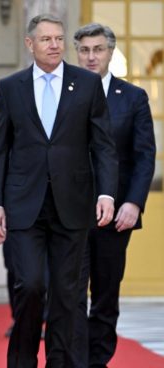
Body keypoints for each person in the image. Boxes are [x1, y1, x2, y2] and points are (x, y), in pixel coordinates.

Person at [0, 14, 118, 367]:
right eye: (46, 39)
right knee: (29, 286)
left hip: (73, 203)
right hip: (24, 204)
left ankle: (62, 361)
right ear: (30, 44)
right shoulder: (11, 87)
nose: (55, 45)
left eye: (59, 38)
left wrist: (107, 193)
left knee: (68, 293)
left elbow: (103, 145)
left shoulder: (87, 84)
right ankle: (23, 360)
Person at [72, 23, 156, 368]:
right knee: (71, 295)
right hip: (70, 213)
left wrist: (134, 203)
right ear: (76, 53)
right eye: (85, 50)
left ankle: (98, 361)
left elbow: (144, 155)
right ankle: (74, 359)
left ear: (110, 52)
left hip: (116, 215)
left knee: (106, 293)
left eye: (98, 49)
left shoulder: (133, 97)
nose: (91, 56)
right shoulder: (64, 93)